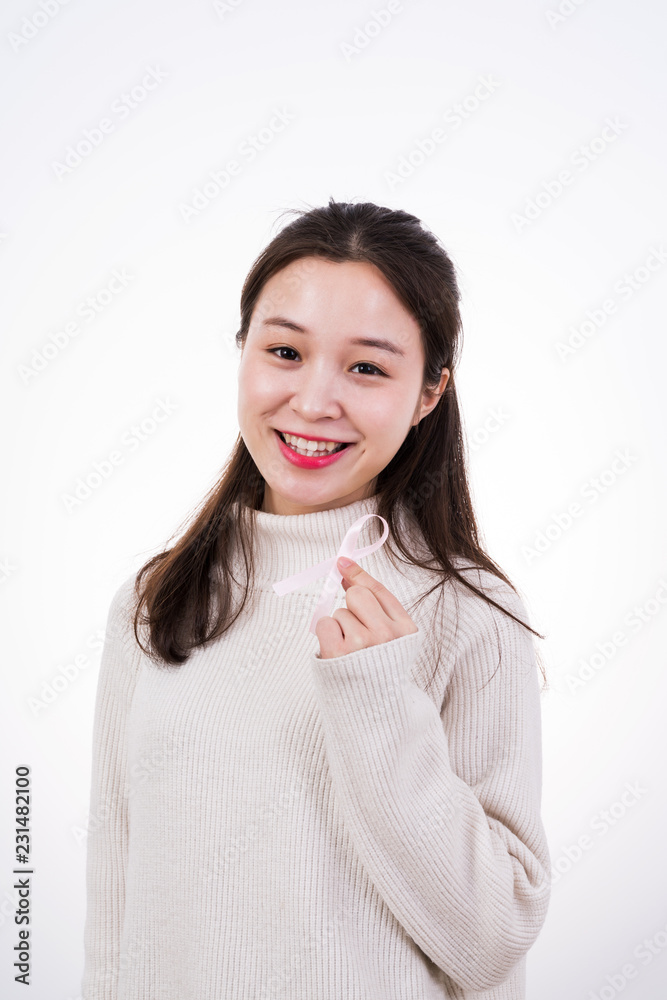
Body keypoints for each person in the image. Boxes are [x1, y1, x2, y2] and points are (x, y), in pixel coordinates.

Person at [82, 198, 551, 1000]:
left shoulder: (469, 613)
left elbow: (494, 938)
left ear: (430, 390)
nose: (312, 401)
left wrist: (377, 701)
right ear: (242, 352)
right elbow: (115, 909)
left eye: (367, 366)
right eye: (284, 352)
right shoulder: (156, 598)